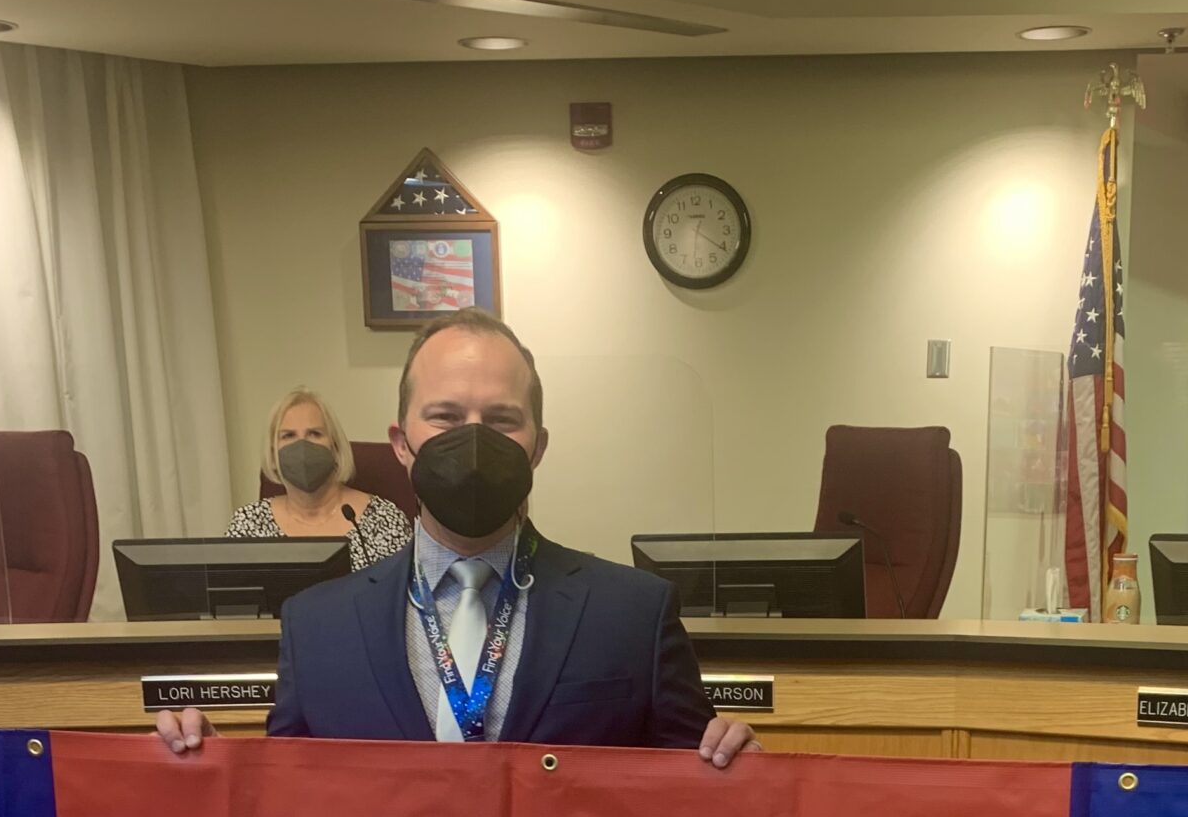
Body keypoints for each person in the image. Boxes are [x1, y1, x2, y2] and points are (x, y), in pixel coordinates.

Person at [160, 309, 753, 765]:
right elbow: (286, 809)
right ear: (400, 443)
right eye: (444, 417)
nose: (473, 440)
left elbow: (690, 807)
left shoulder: (634, 614)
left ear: (537, 447)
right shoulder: (316, 627)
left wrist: (739, 770)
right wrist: (215, 772)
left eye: (501, 420)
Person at [221, 387, 412, 567]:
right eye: (288, 436)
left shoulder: (384, 519)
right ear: (272, 454)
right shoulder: (248, 524)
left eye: (314, 433)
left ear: (335, 447)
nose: (302, 446)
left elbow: (412, 596)